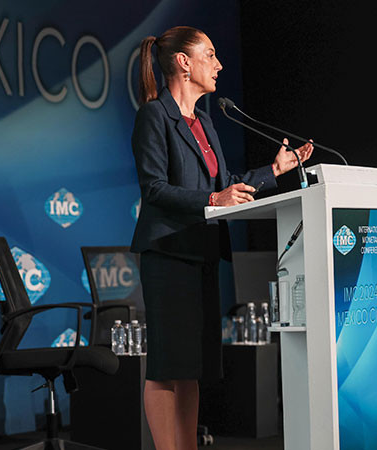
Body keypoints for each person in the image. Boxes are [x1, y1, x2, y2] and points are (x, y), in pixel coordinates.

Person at [131, 26, 313, 450]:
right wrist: (214, 198)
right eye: (210, 55)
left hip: (203, 253)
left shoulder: (206, 122)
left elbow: (225, 183)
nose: (219, 64)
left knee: (191, 368)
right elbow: (154, 188)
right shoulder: (154, 116)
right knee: (166, 367)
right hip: (169, 255)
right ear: (184, 62)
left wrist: (275, 170)